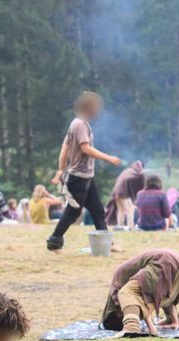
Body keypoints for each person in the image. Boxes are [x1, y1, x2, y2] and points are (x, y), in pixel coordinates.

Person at [47, 91, 123, 252]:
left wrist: (60, 169)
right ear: (89, 108)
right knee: (73, 211)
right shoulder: (81, 125)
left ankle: (106, 243)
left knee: (97, 210)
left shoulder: (75, 123)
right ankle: (54, 242)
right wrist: (108, 158)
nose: (99, 111)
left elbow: (65, 147)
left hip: (85, 177)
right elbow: (85, 148)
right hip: (80, 177)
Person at [101, 249, 179, 336]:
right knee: (163, 292)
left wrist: (151, 327)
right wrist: (173, 321)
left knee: (126, 292)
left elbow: (142, 300)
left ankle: (131, 327)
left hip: (162, 260)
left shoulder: (116, 289)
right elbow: (162, 292)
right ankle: (173, 321)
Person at [112, 160, 145, 229]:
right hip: (123, 193)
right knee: (130, 210)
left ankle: (120, 226)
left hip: (116, 192)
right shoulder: (133, 172)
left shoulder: (127, 171)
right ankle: (131, 227)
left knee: (121, 210)